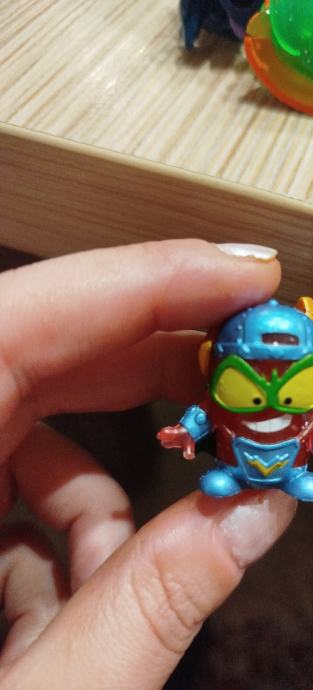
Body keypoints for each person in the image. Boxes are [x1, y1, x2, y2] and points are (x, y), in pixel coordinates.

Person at [0, 239, 296, 689]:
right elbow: (203, 417)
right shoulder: (223, 396)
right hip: (237, 455)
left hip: (282, 458)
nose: (270, 389)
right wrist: (186, 432)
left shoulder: (300, 409)